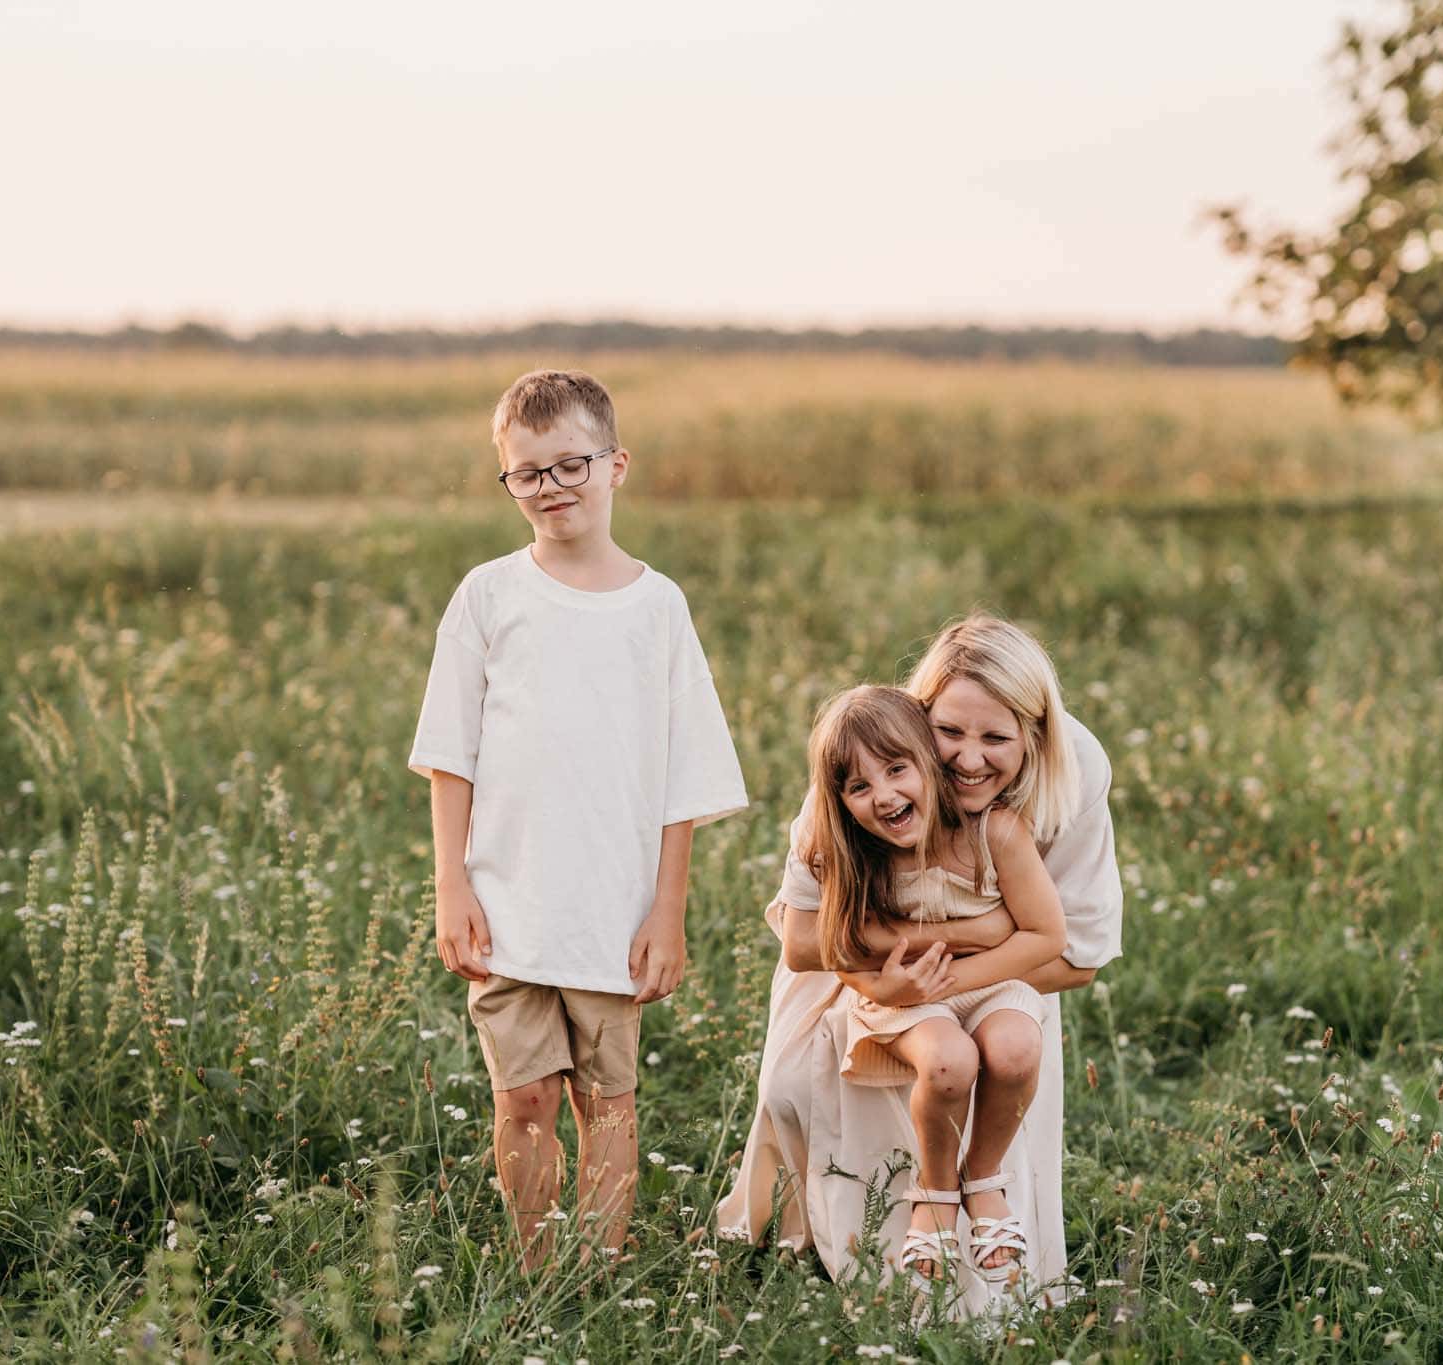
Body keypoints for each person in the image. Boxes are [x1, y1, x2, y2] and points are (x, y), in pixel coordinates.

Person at [409, 369, 747, 1270]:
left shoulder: (656, 606)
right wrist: (453, 888)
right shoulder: (486, 595)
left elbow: (686, 778)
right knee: (522, 1101)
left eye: (571, 465)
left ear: (616, 465)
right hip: (507, 906)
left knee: (610, 1102)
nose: (552, 486)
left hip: (613, 911)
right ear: (508, 481)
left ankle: (596, 1276)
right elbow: (450, 756)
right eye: (528, 472)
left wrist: (666, 910)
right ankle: (534, 1272)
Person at [716, 616, 1121, 1311]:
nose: (968, 758)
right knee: (809, 1075)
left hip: (1002, 975)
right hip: (873, 970)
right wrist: (918, 957)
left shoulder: (1062, 779)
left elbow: (1073, 955)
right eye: (949, 732)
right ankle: (827, 1235)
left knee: (1002, 1048)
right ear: (919, 713)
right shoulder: (876, 751)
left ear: (1034, 733)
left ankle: (980, 1206)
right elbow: (807, 935)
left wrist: (968, 957)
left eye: (995, 738)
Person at [805, 686, 1066, 1281]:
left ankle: (985, 1177)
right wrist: (888, 989)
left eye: (897, 770)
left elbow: (1046, 936)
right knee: (948, 1062)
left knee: (1017, 1047)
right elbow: (838, 942)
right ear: (841, 802)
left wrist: (954, 980)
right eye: (859, 787)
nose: (885, 796)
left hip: (986, 985)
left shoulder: (994, 833)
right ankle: (935, 1192)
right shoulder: (854, 853)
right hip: (903, 996)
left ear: (929, 761)